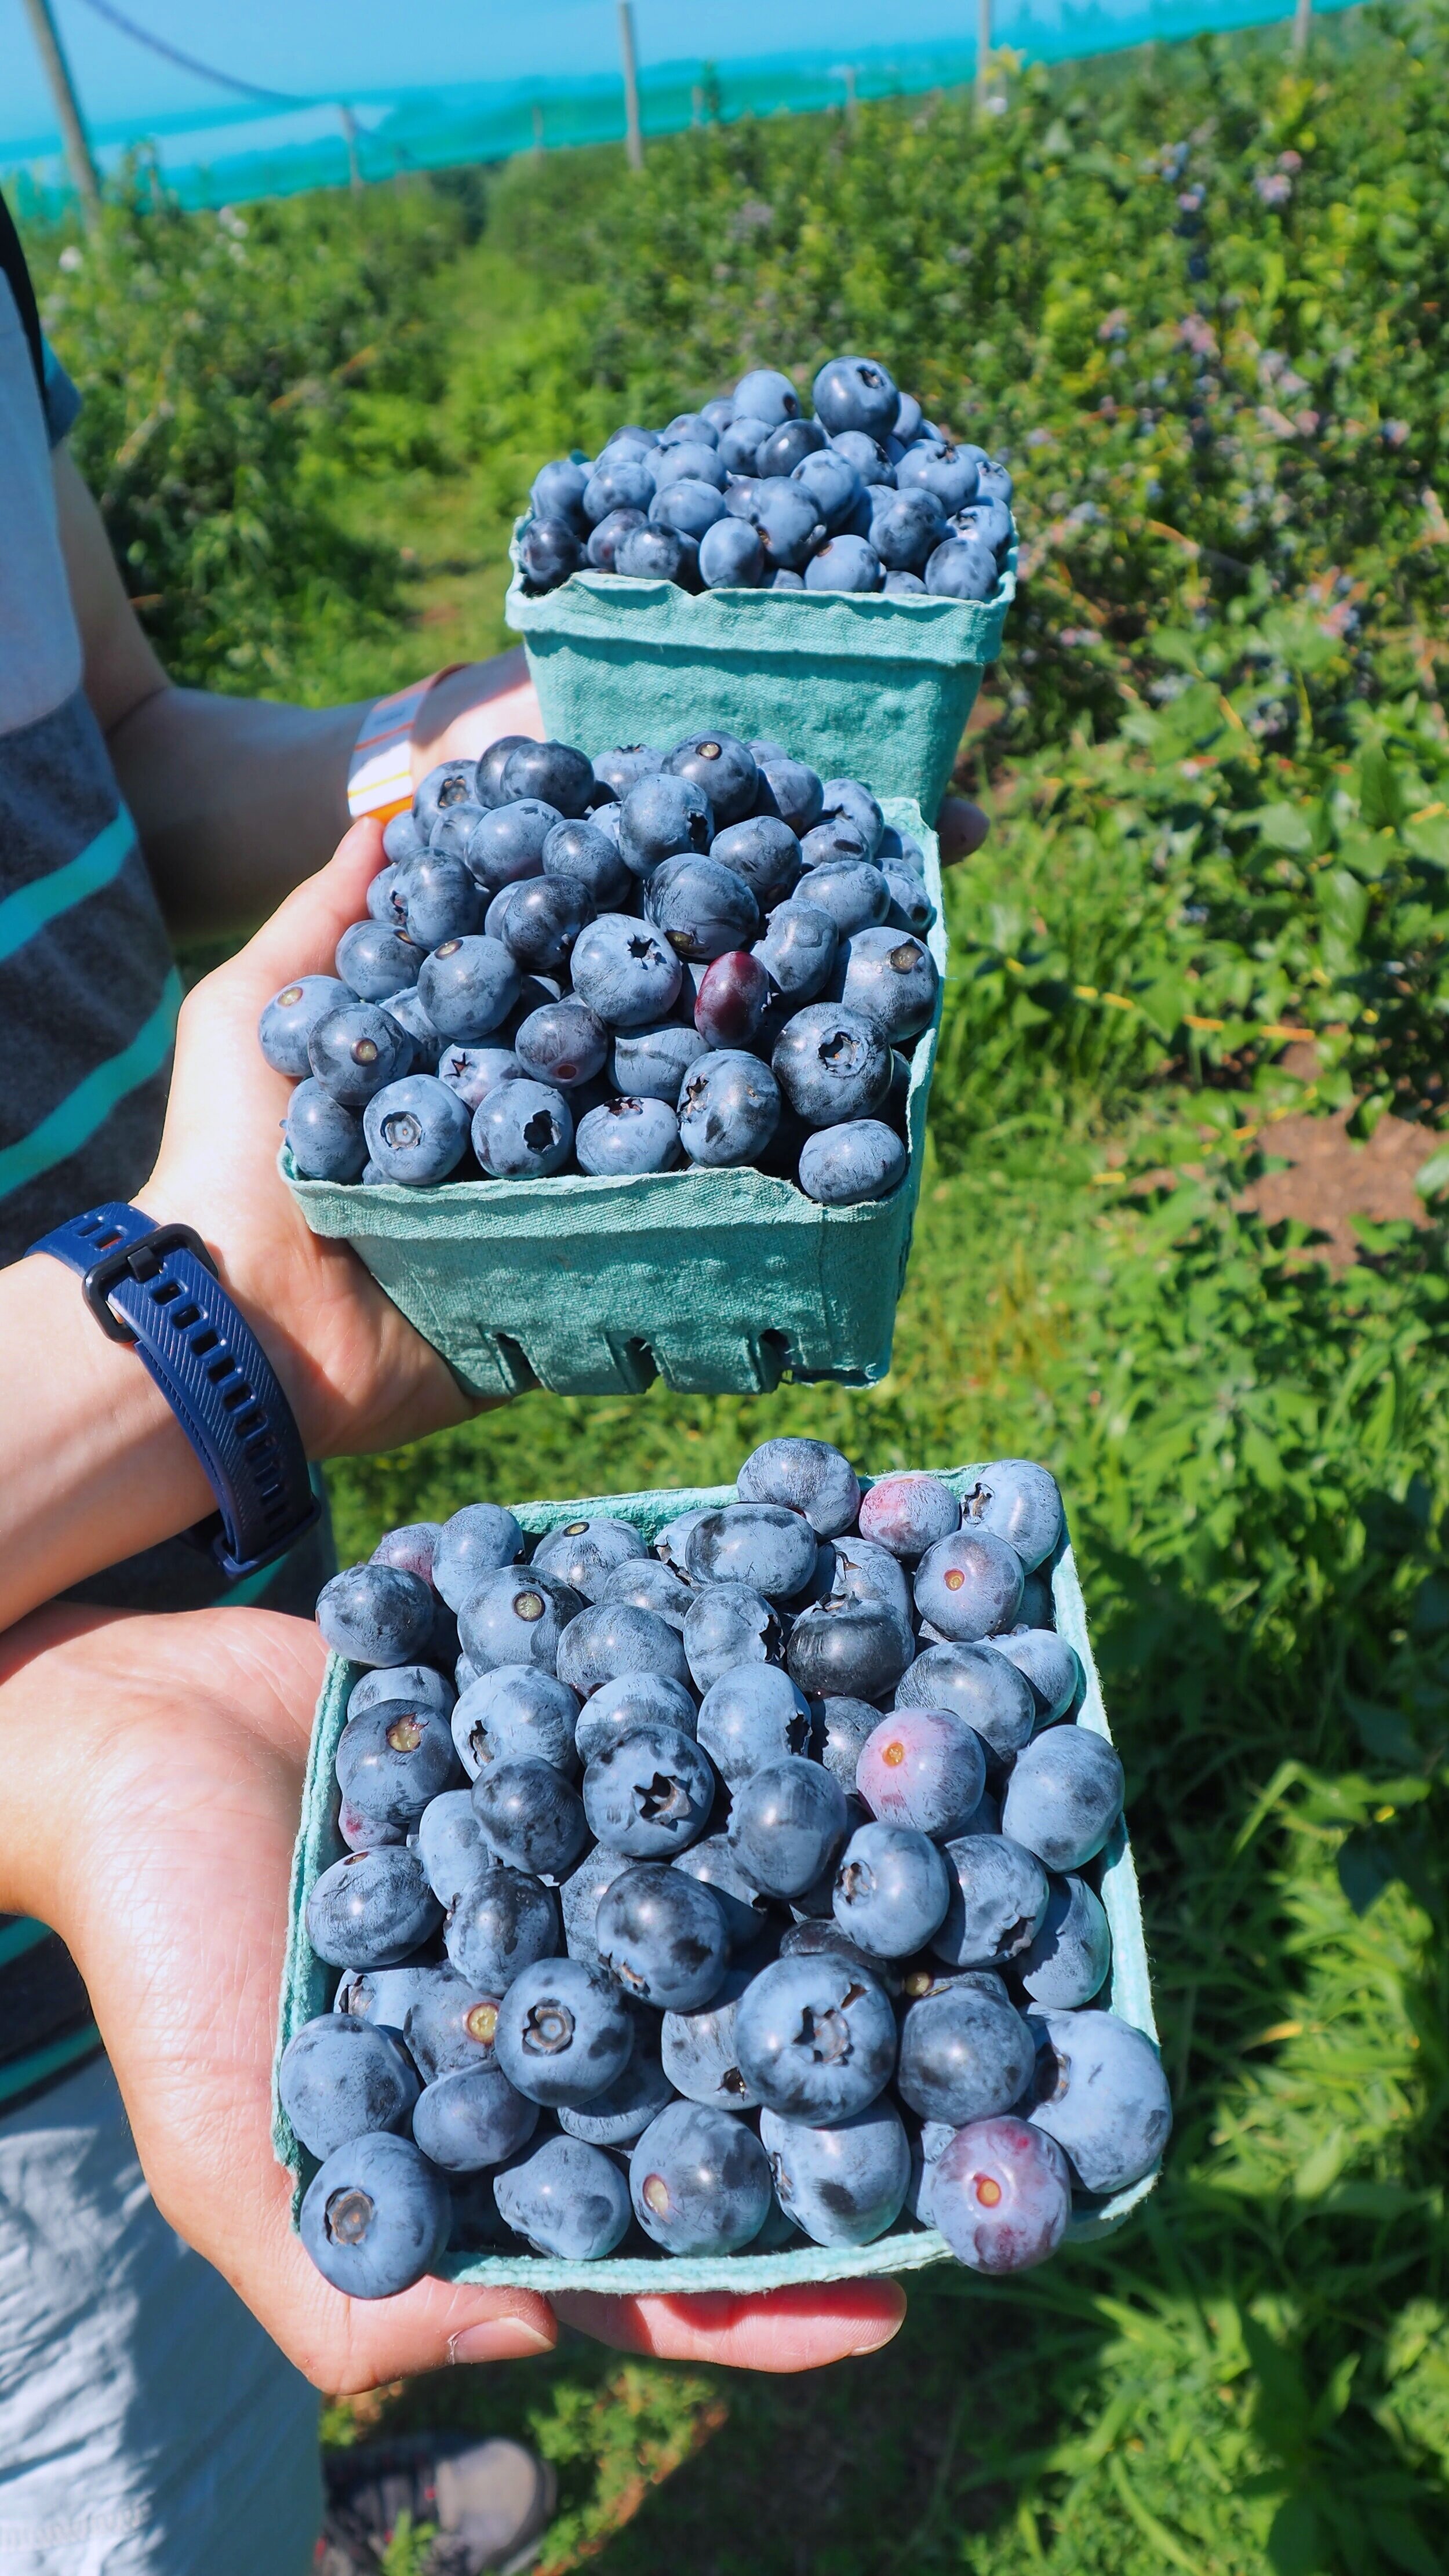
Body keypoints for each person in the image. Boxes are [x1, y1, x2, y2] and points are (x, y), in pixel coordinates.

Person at [1, 181, 985, 2570]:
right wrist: (205, 1345)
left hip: (189, 1689)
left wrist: (434, 759)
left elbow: (107, 750)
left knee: (248, 2309)